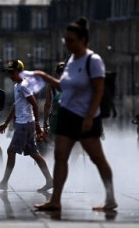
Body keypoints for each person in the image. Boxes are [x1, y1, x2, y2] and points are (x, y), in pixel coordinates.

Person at [33, 17, 117, 211]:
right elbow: (64, 85)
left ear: (83, 40)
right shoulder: (70, 61)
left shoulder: (93, 60)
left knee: (97, 158)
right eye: (66, 40)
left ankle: (110, 198)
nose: (67, 43)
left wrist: (89, 117)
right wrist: (45, 77)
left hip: (86, 116)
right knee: (60, 155)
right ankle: (55, 200)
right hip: (67, 114)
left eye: (71, 40)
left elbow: (99, 90)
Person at [0, 60, 52, 192]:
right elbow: (16, 105)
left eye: (12, 72)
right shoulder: (17, 85)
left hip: (25, 124)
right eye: (9, 72)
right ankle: (50, 180)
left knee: (11, 151)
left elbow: (34, 105)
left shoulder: (24, 86)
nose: (10, 75)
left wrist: (37, 126)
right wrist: (6, 123)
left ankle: (4, 182)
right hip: (24, 124)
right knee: (34, 153)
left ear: (20, 72)